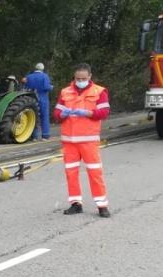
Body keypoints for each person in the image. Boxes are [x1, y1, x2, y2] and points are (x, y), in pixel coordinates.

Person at [53, 63, 111, 217]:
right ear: (74, 77)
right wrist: (62, 115)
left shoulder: (99, 91)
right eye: (78, 78)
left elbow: (104, 112)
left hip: (88, 140)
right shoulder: (65, 92)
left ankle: (102, 206)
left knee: (95, 173)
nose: (80, 81)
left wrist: (88, 113)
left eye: (83, 78)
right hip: (69, 141)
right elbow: (56, 113)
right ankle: (75, 204)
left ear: (90, 77)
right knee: (71, 174)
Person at [25, 62, 54, 140]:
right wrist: (51, 87)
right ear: (42, 69)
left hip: (31, 99)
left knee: (33, 117)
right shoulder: (45, 76)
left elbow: (26, 87)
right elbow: (46, 87)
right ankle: (45, 135)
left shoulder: (29, 76)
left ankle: (34, 136)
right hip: (42, 98)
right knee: (44, 117)